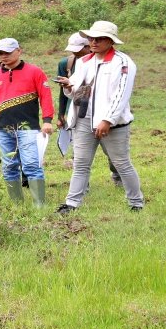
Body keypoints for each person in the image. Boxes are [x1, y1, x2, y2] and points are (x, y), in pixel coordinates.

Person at [56, 21, 145, 213]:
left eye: (99, 38)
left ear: (110, 41)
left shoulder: (123, 62)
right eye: (91, 38)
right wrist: (68, 87)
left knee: (121, 163)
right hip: (83, 118)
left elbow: (121, 94)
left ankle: (136, 202)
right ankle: (72, 203)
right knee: (80, 163)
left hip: (113, 124)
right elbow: (78, 93)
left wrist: (107, 120)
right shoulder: (83, 61)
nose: (94, 42)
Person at [0, 38, 54, 207]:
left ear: (19, 51)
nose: (4, 56)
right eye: (0, 53)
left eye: (8, 52)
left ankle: (39, 205)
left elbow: (45, 96)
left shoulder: (35, 72)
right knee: (9, 166)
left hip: (28, 128)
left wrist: (47, 120)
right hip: (2, 129)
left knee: (31, 164)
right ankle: (17, 205)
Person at [57, 32, 122, 186]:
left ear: (89, 46)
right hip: (79, 114)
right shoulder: (66, 64)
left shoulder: (112, 62)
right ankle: (81, 188)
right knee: (79, 156)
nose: (76, 53)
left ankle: (118, 175)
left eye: (80, 50)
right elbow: (63, 91)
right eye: (73, 50)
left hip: (103, 115)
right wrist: (61, 114)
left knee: (111, 152)